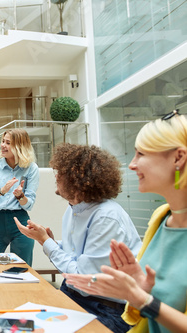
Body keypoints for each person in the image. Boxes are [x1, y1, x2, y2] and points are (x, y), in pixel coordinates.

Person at [64, 110, 187, 333]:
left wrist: (143, 299)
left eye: (141, 154)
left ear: (178, 158)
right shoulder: (161, 218)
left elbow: (146, 305)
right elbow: (140, 314)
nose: (132, 164)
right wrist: (140, 288)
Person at [15, 143, 142, 333]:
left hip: (105, 309)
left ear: (78, 180)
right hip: (74, 295)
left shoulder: (105, 216)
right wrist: (49, 240)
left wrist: (46, 242)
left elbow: (84, 279)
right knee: (19, 323)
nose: (56, 177)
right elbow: (78, 255)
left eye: (61, 173)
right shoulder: (73, 209)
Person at [0, 128, 40, 266]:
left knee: (22, 268)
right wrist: (2, 190)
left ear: (19, 147)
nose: (3, 145)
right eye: (3, 141)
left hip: (20, 222)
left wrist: (20, 196)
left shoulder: (31, 168)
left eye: (8, 143)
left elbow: (29, 204)